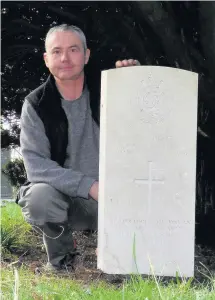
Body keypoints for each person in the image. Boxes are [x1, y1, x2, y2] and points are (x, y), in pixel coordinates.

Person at [17, 24, 140, 273]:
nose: (65, 58)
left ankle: (128, 255)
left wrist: (135, 83)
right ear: (46, 59)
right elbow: (36, 166)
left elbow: (144, 126)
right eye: (57, 51)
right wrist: (90, 187)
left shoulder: (110, 89)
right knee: (39, 197)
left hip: (118, 196)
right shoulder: (36, 104)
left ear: (86, 55)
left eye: (73, 49)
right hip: (69, 202)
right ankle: (62, 260)